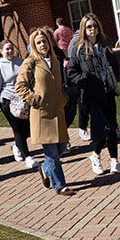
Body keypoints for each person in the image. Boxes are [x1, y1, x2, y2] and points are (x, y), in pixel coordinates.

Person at [67, 14, 120, 175]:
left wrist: (113, 76)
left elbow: (115, 65)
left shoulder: (104, 45)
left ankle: (115, 161)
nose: (92, 29)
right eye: (89, 27)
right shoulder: (78, 49)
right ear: (83, 29)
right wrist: (86, 81)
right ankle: (96, 155)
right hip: (93, 95)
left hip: (108, 91)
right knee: (103, 128)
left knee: (112, 126)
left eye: (94, 26)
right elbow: (71, 72)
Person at [15, 29, 74, 196]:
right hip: (42, 114)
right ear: (33, 45)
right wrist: (36, 100)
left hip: (58, 111)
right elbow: (20, 87)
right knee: (52, 153)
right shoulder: (30, 62)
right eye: (39, 42)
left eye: (45, 41)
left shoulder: (55, 60)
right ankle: (60, 185)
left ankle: (46, 169)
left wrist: (63, 97)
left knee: (61, 147)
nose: (43, 45)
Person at [0, 40, 39, 169]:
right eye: (7, 49)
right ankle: (28, 157)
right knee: (18, 129)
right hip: (8, 101)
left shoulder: (21, 62)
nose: (10, 51)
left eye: (11, 49)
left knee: (28, 128)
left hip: (24, 99)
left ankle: (17, 146)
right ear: (1, 51)